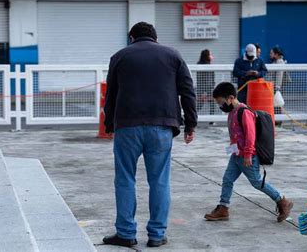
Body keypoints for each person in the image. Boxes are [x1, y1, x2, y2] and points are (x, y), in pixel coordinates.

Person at [103, 22, 197, 248]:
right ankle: (156, 235)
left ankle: (125, 233)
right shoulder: (172, 55)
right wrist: (190, 125)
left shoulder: (120, 57)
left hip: (127, 126)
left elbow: (111, 94)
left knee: (125, 179)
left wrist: (109, 124)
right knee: (159, 181)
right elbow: (187, 91)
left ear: (132, 37)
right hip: (162, 126)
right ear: (155, 37)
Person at [203, 82, 293, 222]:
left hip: (247, 156)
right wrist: (233, 150)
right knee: (227, 179)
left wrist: (248, 154)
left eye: (221, 102)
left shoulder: (244, 112)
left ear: (231, 98)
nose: (220, 106)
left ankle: (282, 200)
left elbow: (250, 135)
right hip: (236, 155)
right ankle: (223, 208)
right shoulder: (231, 113)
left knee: (256, 182)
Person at [196, 49, 216, 116]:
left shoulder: (211, 65)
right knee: (199, 104)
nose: (211, 56)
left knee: (212, 103)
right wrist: (203, 93)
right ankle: (190, 116)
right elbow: (200, 79)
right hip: (202, 87)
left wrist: (213, 85)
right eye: (210, 54)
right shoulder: (199, 65)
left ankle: (212, 119)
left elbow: (213, 77)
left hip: (210, 88)